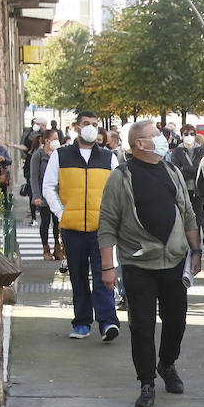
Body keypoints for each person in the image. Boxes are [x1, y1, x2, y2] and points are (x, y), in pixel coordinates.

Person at [97, 120, 203, 407]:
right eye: (155, 135)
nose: (162, 138)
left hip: (173, 262)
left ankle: (166, 364)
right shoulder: (121, 177)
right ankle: (146, 383)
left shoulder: (172, 172)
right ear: (139, 144)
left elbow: (188, 214)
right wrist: (108, 268)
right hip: (138, 264)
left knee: (176, 322)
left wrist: (196, 250)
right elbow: (106, 223)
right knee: (142, 326)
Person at [43, 109, 121, 342]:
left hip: (101, 228)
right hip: (72, 228)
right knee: (77, 276)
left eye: (95, 124)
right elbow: (48, 186)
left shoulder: (108, 158)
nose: (91, 127)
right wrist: (61, 213)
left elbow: (117, 191)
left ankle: (108, 322)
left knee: (103, 273)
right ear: (77, 127)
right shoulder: (61, 155)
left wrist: (113, 218)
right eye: (86, 123)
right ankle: (82, 322)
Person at [27, 130, 63, 261]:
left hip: (58, 195)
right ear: (47, 141)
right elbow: (34, 177)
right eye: (55, 138)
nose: (57, 141)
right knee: (45, 222)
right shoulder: (38, 155)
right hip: (44, 196)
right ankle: (45, 248)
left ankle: (58, 247)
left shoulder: (59, 154)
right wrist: (36, 195)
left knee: (57, 223)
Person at [168, 124, 204, 231]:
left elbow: (202, 170)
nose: (189, 136)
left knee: (197, 219)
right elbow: (176, 171)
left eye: (192, 134)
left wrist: (185, 167)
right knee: (183, 218)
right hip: (182, 190)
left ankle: (196, 244)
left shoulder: (201, 151)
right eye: (186, 134)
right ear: (181, 135)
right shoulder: (177, 151)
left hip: (197, 191)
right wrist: (192, 170)